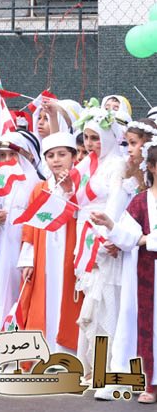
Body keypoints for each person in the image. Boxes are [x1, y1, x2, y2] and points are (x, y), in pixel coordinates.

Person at [91, 142, 157, 404]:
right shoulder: (141, 201)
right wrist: (110, 224)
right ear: (151, 167)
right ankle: (150, 382)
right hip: (145, 274)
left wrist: (146, 240)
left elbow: (139, 239)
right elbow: (128, 237)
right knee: (145, 325)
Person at [74, 108, 130, 390]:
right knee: (90, 301)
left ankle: (107, 368)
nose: (90, 143)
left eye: (96, 137)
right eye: (86, 137)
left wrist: (107, 236)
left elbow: (117, 203)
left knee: (107, 302)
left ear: (109, 137)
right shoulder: (85, 165)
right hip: (84, 235)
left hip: (104, 236)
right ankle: (90, 367)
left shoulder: (117, 165)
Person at [16, 132, 82, 354]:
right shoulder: (40, 188)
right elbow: (31, 226)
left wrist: (69, 192)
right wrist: (27, 259)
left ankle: (67, 353)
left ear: (73, 156)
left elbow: (80, 216)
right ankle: (45, 352)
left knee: (67, 300)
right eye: (51, 155)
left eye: (62, 154)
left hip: (68, 252)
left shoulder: (81, 184)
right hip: (44, 255)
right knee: (44, 299)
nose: (56, 159)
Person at [0, 131, 42, 334]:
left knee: (23, 292)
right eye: (2, 156)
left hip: (25, 245)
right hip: (5, 244)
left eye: (11, 155)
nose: (7, 160)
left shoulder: (35, 181)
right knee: (4, 291)